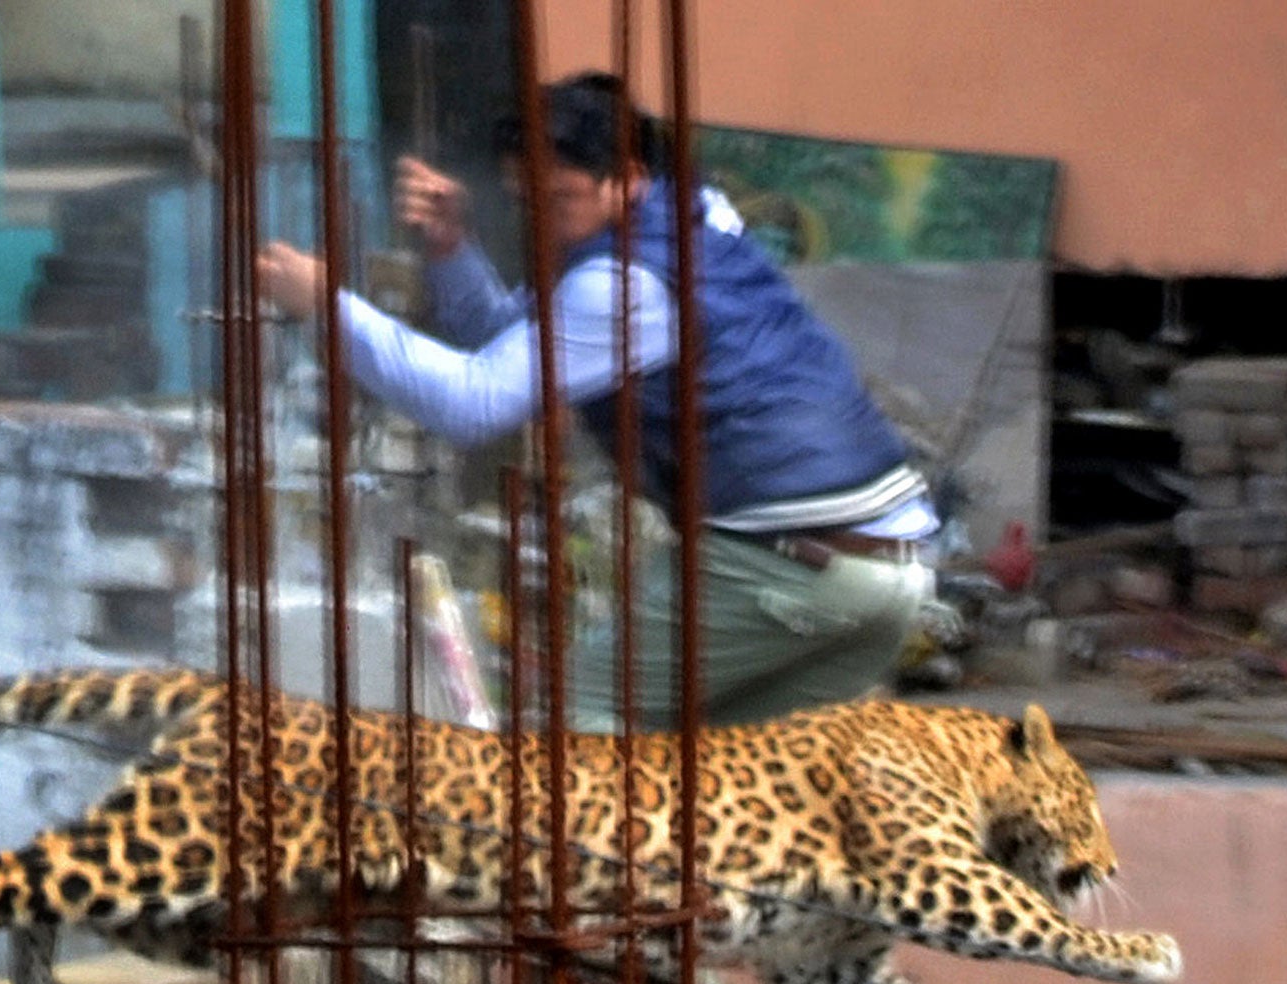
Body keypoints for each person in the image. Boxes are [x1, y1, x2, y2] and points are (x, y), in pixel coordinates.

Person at [257, 70, 942, 729]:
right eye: (526, 202)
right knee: (737, 784)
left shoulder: (623, 283)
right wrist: (451, 249)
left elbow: (471, 402)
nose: (543, 222)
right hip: (886, 571)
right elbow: (521, 347)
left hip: (781, 567)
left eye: (560, 198)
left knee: (573, 739)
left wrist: (328, 308)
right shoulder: (692, 216)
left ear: (628, 178)